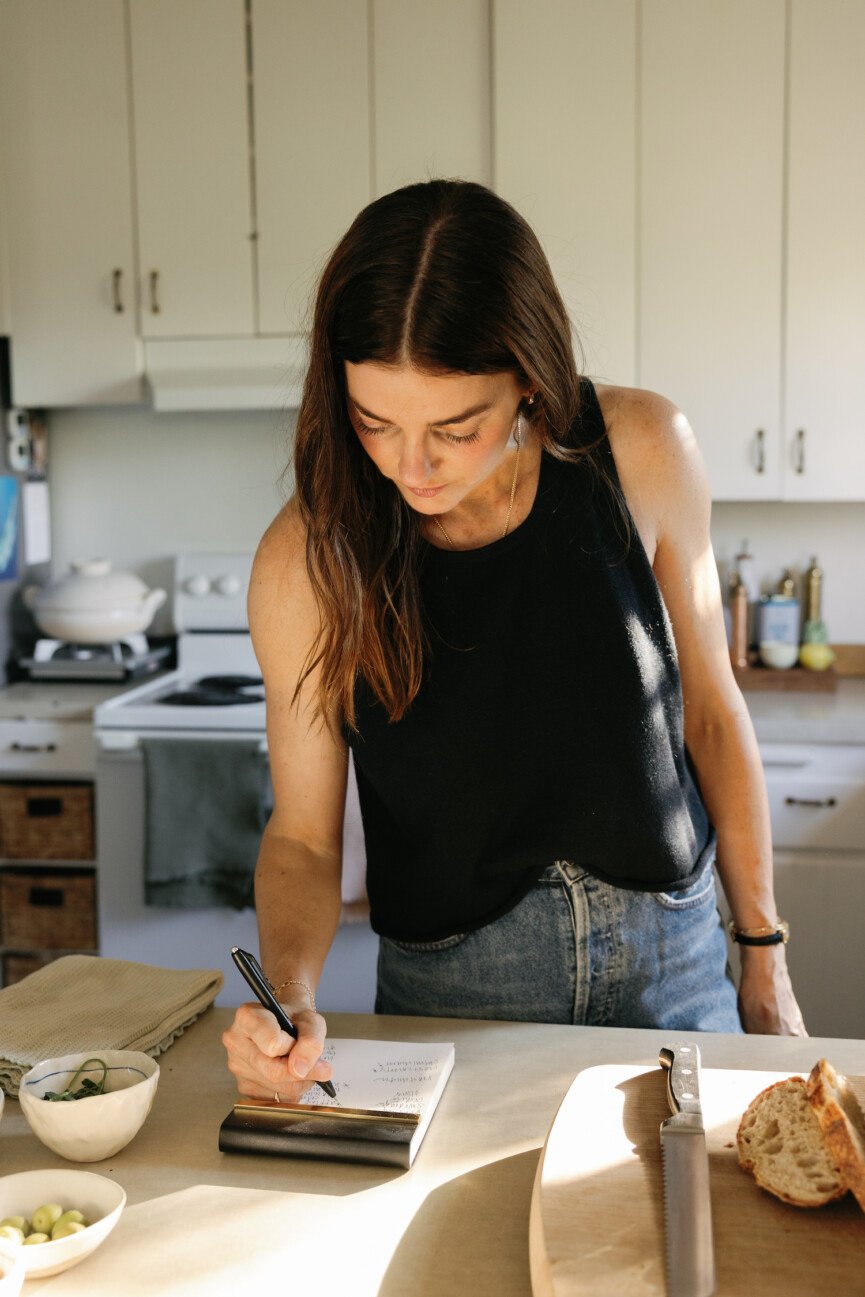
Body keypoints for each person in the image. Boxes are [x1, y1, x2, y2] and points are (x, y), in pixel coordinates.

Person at [222, 179, 805, 1103]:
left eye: (455, 428)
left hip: (676, 965)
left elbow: (711, 717)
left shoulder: (644, 448)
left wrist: (761, 951)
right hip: (454, 997)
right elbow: (301, 839)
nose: (409, 466)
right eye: (375, 421)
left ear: (531, 376)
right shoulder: (307, 558)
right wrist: (287, 999)